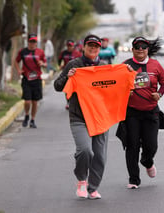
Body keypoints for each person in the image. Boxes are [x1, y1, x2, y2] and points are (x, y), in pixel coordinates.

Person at [54, 34, 111, 200]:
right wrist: (68, 76)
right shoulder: (74, 65)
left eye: (96, 46)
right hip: (79, 117)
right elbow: (58, 86)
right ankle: (81, 180)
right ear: (84, 47)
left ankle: (93, 188)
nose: (93, 49)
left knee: (100, 155)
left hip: (100, 117)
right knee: (85, 150)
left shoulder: (104, 67)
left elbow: (115, 87)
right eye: (90, 46)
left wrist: (127, 74)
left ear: (100, 49)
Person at [123, 36, 164, 189]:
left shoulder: (155, 65)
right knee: (132, 146)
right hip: (131, 113)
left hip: (151, 112)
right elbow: (115, 85)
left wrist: (159, 94)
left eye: (143, 46)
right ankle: (134, 179)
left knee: (151, 146)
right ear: (133, 49)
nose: (140, 49)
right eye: (137, 47)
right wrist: (124, 92)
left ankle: (147, 161)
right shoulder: (125, 66)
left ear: (148, 49)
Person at [15, 33, 47, 128]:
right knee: (27, 101)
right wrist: (18, 70)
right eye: (31, 41)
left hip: (37, 79)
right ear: (28, 42)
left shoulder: (40, 52)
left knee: (35, 101)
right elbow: (16, 61)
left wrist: (42, 63)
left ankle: (32, 119)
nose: (33, 43)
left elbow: (45, 64)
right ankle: (26, 115)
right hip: (26, 79)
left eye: (34, 41)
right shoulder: (23, 51)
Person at [58, 39, 83, 109]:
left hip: (75, 73)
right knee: (67, 88)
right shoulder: (63, 53)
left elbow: (81, 61)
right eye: (68, 46)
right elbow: (59, 60)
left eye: (71, 46)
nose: (69, 47)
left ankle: (76, 101)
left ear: (73, 46)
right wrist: (60, 65)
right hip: (66, 73)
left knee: (75, 88)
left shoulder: (77, 53)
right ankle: (68, 102)